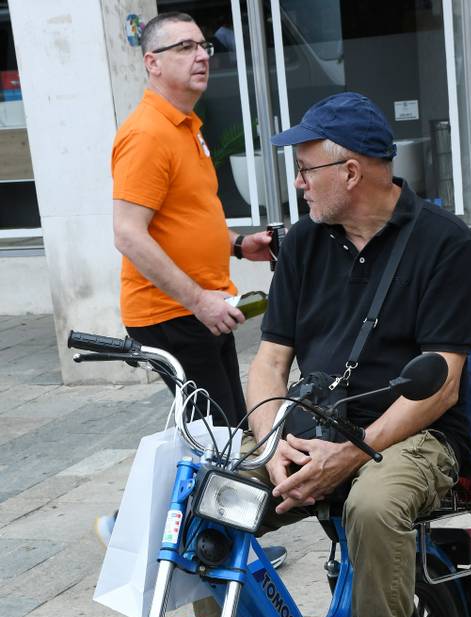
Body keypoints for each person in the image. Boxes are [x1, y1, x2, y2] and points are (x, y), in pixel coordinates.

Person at [244, 92, 471, 617]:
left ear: (351, 171)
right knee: (204, 502)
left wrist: (353, 453)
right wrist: (271, 444)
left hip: (412, 429)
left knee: (374, 504)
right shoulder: (299, 246)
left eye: (306, 168)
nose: (298, 183)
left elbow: (442, 384)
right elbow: (268, 363)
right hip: (310, 422)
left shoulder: (446, 243)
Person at [96, 11, 286, 569]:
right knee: (219, 435)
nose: (201, 55)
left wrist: (235, 246)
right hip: (174, 314)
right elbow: (128, 234)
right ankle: (164, 534)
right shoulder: (147, 134)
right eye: (184, 48)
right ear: (152, 63)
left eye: (203, 45)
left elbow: (180, 222)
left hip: (203, 310)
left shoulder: (186, 127)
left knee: (208, 434)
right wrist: (198, 299)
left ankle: (213, 540)